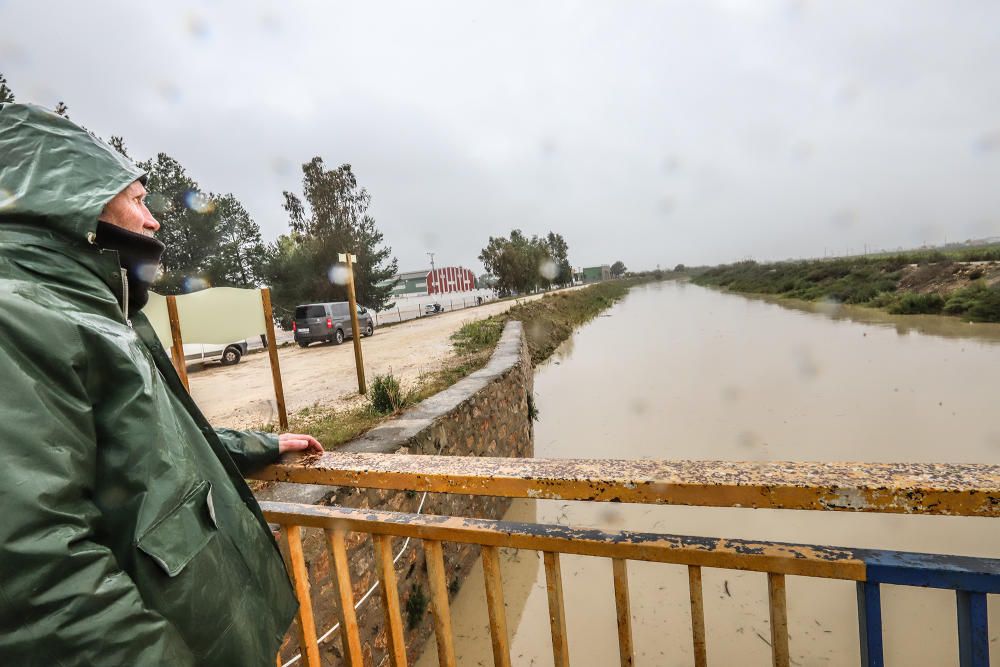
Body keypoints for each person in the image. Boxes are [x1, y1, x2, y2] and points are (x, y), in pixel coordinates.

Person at [0, 103, 322, 665]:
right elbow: (41, 577)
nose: (153, 222)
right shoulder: (22, 320)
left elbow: (152, 450)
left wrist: (261, 445)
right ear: (74, 198)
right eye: (138, 199)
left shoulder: (94, 314)